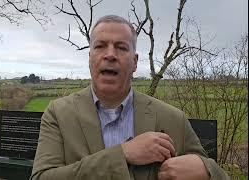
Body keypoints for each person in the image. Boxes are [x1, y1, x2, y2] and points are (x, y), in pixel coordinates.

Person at [30, 15, 229, 180]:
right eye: (100, 46)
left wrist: (207, 171)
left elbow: (217, 173)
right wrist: (123, 154)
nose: (110, 54)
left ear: (134, 62)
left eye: (121, 47)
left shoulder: (173, 119)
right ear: (90, 58)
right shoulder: (58, 113)